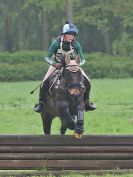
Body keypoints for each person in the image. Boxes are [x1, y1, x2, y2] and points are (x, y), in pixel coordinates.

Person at [34, 21, 96, 113]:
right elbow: (46, 57)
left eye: (73, 35)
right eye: (69, 34)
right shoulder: (56, 43)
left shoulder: (76, 44)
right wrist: (54, 64)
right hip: (57, 65)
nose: (72, 37)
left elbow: (83, 59)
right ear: (64, 34)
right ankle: (41, 103)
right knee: (44, 82)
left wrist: (76, 65)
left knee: (87, 81)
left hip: (72, 66)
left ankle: (87, 103)